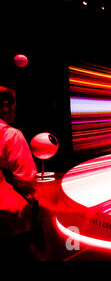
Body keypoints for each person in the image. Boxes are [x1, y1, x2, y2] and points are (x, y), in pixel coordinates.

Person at [0, 86, 37, 260]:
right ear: (6, 105)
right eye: (15, 107)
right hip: (8, 224)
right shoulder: (11, 136)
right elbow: (26, 180)